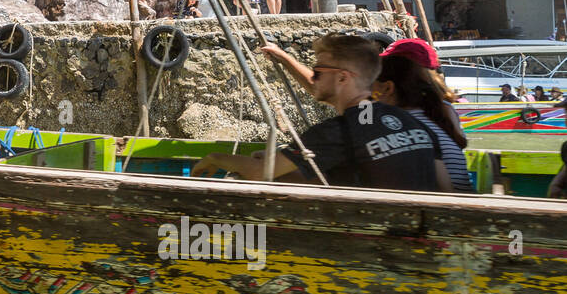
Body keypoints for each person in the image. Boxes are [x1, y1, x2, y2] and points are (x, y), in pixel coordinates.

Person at [196, 33, 446, 191]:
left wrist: (214, 158)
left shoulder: (334, 133)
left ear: (342, 78)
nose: (313, 79)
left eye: (317, 73)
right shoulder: (411, 123)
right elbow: (446, 188)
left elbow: (258, 174)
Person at [373, 53, 472, 192]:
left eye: (372, 91)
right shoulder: (436, 114)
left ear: (388, 88)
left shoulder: (402, 127)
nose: (371, 98)